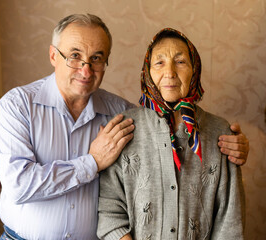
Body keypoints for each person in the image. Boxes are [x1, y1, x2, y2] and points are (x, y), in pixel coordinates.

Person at [0, 14, 248, 240]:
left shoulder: (123, 116)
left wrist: (237, 146)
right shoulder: (18, 105)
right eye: (74, 56)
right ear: (53, 55)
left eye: (96, 58)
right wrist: (92, 162)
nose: (86, 68)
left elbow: (160, 123)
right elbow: (18, 184)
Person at [97, 28, 245, 240]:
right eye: (159, 62)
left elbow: (230, 221)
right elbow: (109, 212)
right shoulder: (123, 128)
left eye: (181, 61)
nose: (170, 72)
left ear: (195, 69)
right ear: (147, 71)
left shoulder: (220, 132)